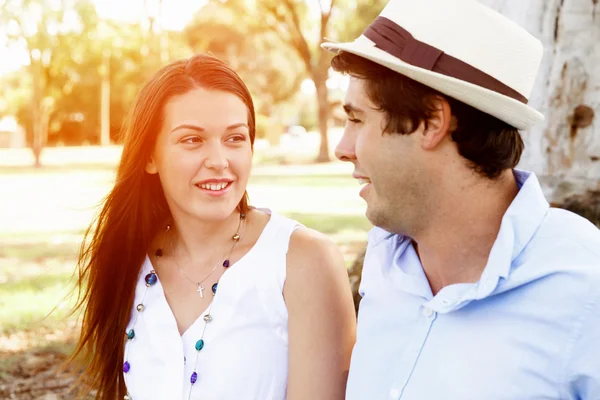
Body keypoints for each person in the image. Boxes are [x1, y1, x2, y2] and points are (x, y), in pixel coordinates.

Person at [321, 0, 600, 399]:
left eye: (356, 119)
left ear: (432, 122)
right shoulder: (385, 262)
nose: (342, 148)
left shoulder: (586, 287)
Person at [69, 54, 356, 400]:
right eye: (192, 140)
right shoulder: (128, 258)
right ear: (149, 156)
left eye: (235, 138)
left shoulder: (304, 262)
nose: (219, 161)